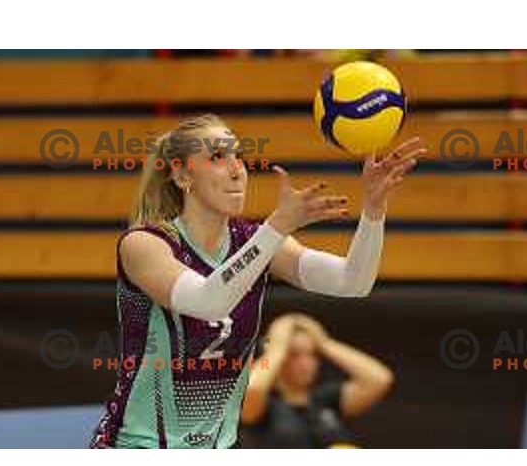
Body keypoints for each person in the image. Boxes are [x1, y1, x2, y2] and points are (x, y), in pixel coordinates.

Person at [89, 113, 426, 448]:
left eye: (239, 157)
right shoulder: (145, 243)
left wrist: (374, 208)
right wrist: (277, 228)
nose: (237, 170)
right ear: (181, 175)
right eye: (218, 158)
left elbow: (352, 282)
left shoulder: (254, 240)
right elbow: (208, 302)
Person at [241, 312, 394, 448]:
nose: (306, 364)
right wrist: (276, 350)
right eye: (294, 354)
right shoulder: (265, 405)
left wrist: (325, 343)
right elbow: (252, 388)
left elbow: (379, 379)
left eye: (312, 354)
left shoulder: (325, 399)